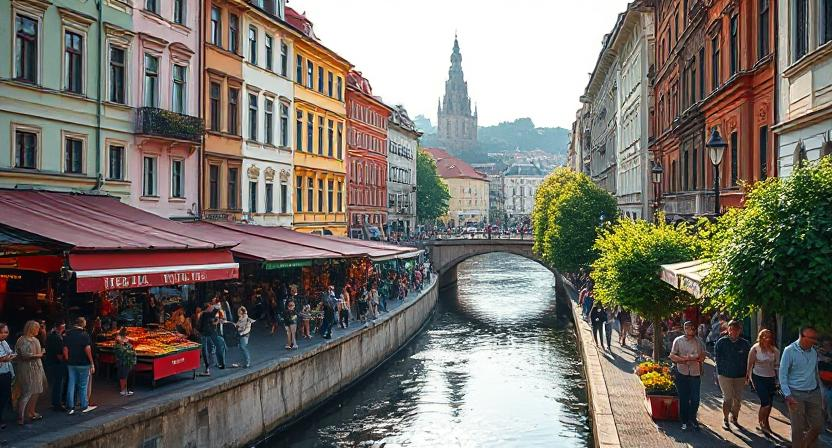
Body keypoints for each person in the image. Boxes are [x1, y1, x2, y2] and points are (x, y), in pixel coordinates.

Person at [779, 326, 825, 448]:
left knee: (817, 425)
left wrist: (821, 392)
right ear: (802, 337)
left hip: (813, 393)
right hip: (796, 394)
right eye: (812, 338)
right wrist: (787, 395)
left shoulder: (814, 352)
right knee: (798, 428)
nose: (815, 341)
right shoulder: (789, 351)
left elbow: (815, 373)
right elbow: (782, 374)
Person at [714, 320, 751, 429]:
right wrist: (718, 373)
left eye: (736, 329)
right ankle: (725, 419)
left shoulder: (745, 344)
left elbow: (748, 360)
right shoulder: (721, 342)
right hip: (725, 375)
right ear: (728, 330)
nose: (733, 332)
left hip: (740, 375)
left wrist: (748, 374)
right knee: (727, 398)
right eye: (731, 329)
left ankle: (734, 417)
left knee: (738, 399)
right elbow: (717, 359)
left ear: (740, 331)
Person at [669, 321, 706, 431]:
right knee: (684, 398)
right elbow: (672, 355)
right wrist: (683, 360)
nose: (690, 330)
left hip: (695, 373)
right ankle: (684, 420)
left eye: (692, 328)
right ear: (685, 329)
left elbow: (703, 355)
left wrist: (699, 359)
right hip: (682, 372)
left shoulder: (699, 342)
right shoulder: (678, 341)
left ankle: (692, 418)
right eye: (688, 328)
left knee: (695, 399)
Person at [746, 328, 779, 434]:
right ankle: (761, 423)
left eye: (769, 336)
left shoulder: (775, 350)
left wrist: (779, 380)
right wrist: (749, 378)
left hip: (770, 378)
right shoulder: (755, 349)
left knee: (770, 402)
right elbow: (750, 364)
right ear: (760, 337)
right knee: (765, 402)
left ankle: (766, 421)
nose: (767, 338)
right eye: (764, 335)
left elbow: (777, 366)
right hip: (758, 377)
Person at [15, 320, 47, 424]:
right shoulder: (23, 340)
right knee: (27, 392)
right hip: (27, 369)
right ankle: (21, 416)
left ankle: (31, 412)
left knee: (36, 390)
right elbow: (25, 355)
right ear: (31, 328)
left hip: (37, 368)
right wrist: (40, 354)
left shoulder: (36, 340)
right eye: (36, 328)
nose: (38, 330)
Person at [62, 317, 96, 415]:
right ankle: (84, 405)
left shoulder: (67, 334)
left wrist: (68, 359)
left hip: (71, 363)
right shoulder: (84, 335)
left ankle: (70, 406)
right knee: (83, 385)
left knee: (71, 383)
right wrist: (92, 362)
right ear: (83, 324)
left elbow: (65, 349)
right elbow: (87, 349)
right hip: (83, 363)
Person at [198, 303, 226, 375]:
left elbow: (200, 325)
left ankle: (207, 368)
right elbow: (215, 314)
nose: (211, 308)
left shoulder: (202, 315)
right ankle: (221, 364)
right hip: (211, 332)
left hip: (204, 333)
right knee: (217, 346)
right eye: (210, 307)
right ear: (207, 308)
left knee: (206, 349)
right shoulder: (208, 314)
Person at [44, 321, 66, 411]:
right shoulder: (56, 338)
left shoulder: (50, 336)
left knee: (56, 383)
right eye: (63, 327)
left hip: (51, 362)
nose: (64, 328)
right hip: (57, 363)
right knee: (58, 383)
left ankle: (56, 402)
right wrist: (64, 360)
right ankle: (57, 403)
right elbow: (59, 353)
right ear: (60, 327)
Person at [113, 328, 136, 396]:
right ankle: (123, 390)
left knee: (125, 376)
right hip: (123, 362)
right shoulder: (118, 346)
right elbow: (126, 352)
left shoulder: (124, 343)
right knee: (123, 376)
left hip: (126, 362)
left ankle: (125, 390)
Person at [0, 323, 14, 429]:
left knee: (5, 396)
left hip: (7, 371)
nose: (4, 335)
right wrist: (5, 358)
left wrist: (10, 356)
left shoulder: (4, 342)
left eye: (6, 332)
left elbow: (9, 353)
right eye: (1, 332)